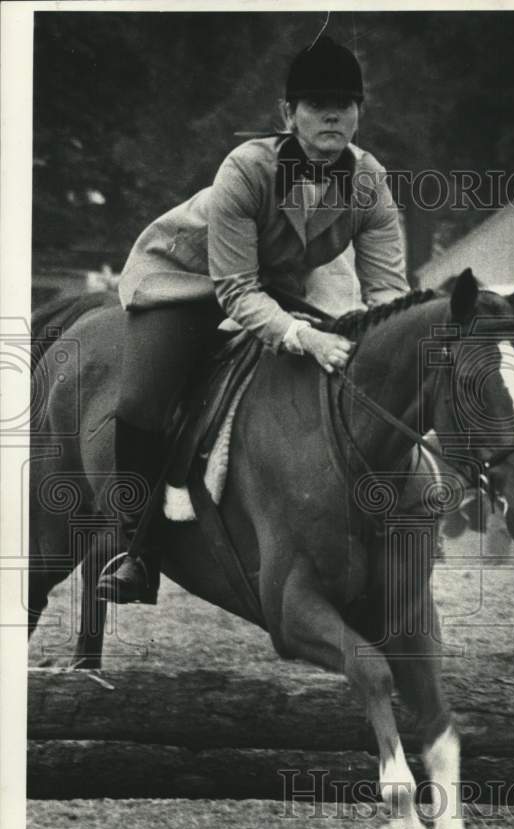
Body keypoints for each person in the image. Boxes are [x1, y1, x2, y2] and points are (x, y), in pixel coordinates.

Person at [97, 35, 410, 605]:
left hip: (273, 287)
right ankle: (134, 551)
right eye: (317, 103)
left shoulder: (370, 181)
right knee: (143, 400)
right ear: (287, 114)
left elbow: (388, 291)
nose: (334, 113)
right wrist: (305, 336)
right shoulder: (246, 167)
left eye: (347, 102)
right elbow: (235, 290)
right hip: (185, 283)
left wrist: (375, 340)